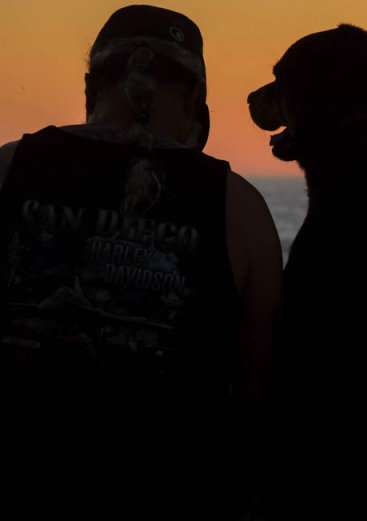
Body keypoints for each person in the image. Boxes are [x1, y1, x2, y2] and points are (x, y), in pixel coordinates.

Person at [0, 6, 281, 518]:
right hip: (173, 493)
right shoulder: (240, 209)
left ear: (91, 88)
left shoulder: (8, 168)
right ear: (195, 97)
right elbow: (264, 392)